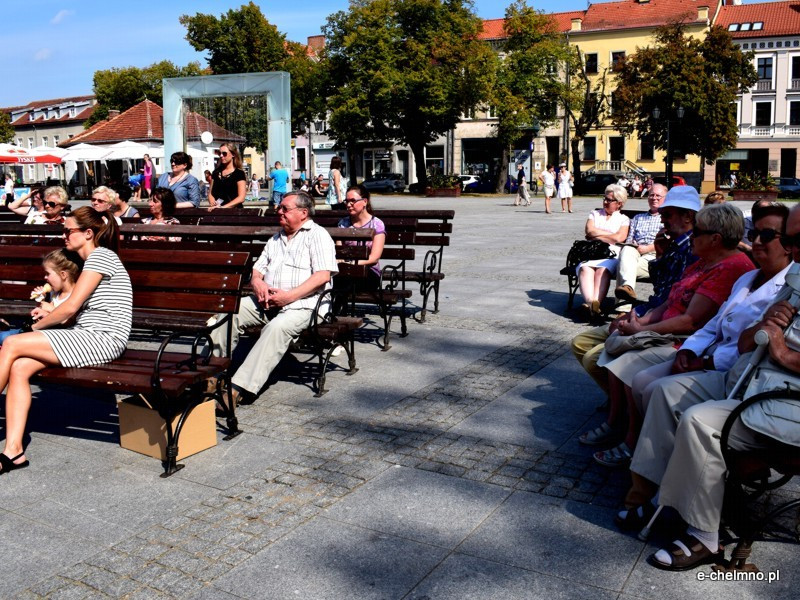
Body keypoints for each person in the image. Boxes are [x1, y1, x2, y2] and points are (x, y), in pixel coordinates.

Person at [619, 204, 800, 571]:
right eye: (793, 240)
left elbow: (768, 349)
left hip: (783, 399)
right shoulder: (791, 282)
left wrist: (780, 350)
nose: (794, 250)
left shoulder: (786, 276)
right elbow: (745, 341)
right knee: (664, 392)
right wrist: (764, 329)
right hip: (749, 379)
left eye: (774, 237)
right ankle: (651, 495)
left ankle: (704, 535)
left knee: (700, 422)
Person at [588, 203, 755, 468]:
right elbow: (668, 300)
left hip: (687, 340)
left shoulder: (730, 267)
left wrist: (641, 329)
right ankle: (617, 421)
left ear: (715, 239)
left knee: (626, 363)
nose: (691, 233)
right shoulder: (703, 260)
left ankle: (632, 439)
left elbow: (692, 321)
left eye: (697, 230)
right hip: (668, 330)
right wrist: (639, 320)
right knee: (612, 349)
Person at [0, 206, 132, 475]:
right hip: (87, 334)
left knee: (13, 344)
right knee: (19, 367)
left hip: (103, 338)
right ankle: (14, 451)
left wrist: (33, 327)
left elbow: (71, 307)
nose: (64, 235)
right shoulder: (89, 263)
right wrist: (49, 313)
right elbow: (75, 312)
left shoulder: (101, 257)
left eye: (68, 230)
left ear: (87, 233)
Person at [208, 191, 338, 406]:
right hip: (267, 302)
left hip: (304, 305)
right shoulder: (276, 238)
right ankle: (211, 374)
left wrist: (288, 297)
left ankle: (238, 388)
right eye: (280, 208)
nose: (279, 211)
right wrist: (258, 282)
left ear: (303, 213)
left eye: (285, 209)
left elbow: (322, 276)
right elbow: (257, 270)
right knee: (228, 313)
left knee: (276, 328)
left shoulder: (318, 235)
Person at [571, 185, 700, 396]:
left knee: (594, 358)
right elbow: (662, 289)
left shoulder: (693, 248)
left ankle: (621, 407)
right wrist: (660, 254)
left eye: (667, 214)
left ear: (687, 216)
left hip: (663, 322)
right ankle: (618, 401)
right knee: (580, 343)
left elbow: (673, 301)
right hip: (653, 311)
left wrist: (638, 318)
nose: (662, 219)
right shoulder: (675, 243)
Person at [0, 249, 81, 346]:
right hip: (38, 331)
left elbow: (69, 322)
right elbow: (44, 312)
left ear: (63, 275)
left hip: (53, 338)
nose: (45, 278)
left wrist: (50, 309)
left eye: (48, 274)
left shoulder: (76, 294)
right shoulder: (55, 293)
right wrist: (41, 299)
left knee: (6, 339)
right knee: (2, 336)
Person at [576, 184, 630, 317]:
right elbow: (589, 231)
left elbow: (619, 238)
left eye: (609, 200)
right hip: (591, 251)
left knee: (602, 270)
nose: (605, 202)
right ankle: (592, 304)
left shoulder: (624, 219)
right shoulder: (595, 214)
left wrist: (597, 235)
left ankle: (592, 305)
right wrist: (609, 234)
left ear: (619, 203)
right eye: (604, 198)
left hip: (611, 253)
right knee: (585, 269)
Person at [614, 184, 667, 306]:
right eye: (651, 195)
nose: (654, 198)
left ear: (665, 198)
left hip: (655, 255)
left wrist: (648, 248)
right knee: (627, 249)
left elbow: (668, 242)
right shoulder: (638, 218)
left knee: (623, 267)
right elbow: (630, 239)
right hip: (635, 253)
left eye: (658, 195)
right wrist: (633, 245)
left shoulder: (667, 218)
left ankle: (622, 308)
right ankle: (627, 288)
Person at [336, 185, 386, 291]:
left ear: (364, 201)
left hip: (369, 272)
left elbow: (374, 258)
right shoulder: (343, 223)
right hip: (345, 271)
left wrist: (352, 264)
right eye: (347, 201)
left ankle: (336, 307)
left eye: (353, 201)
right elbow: (339, 252)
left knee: (345, 283)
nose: (349, 205)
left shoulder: (376, 224)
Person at [208, 144, 247, 210]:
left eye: (224, 153)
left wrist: (223, 208)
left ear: (233, 154)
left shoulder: (239, 173)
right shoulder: (216, 173)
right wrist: (212, 203)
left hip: (234, 213)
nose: (221, 155)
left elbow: (241, 198)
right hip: (217, 212)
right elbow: (210, 193)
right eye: (219, 153)